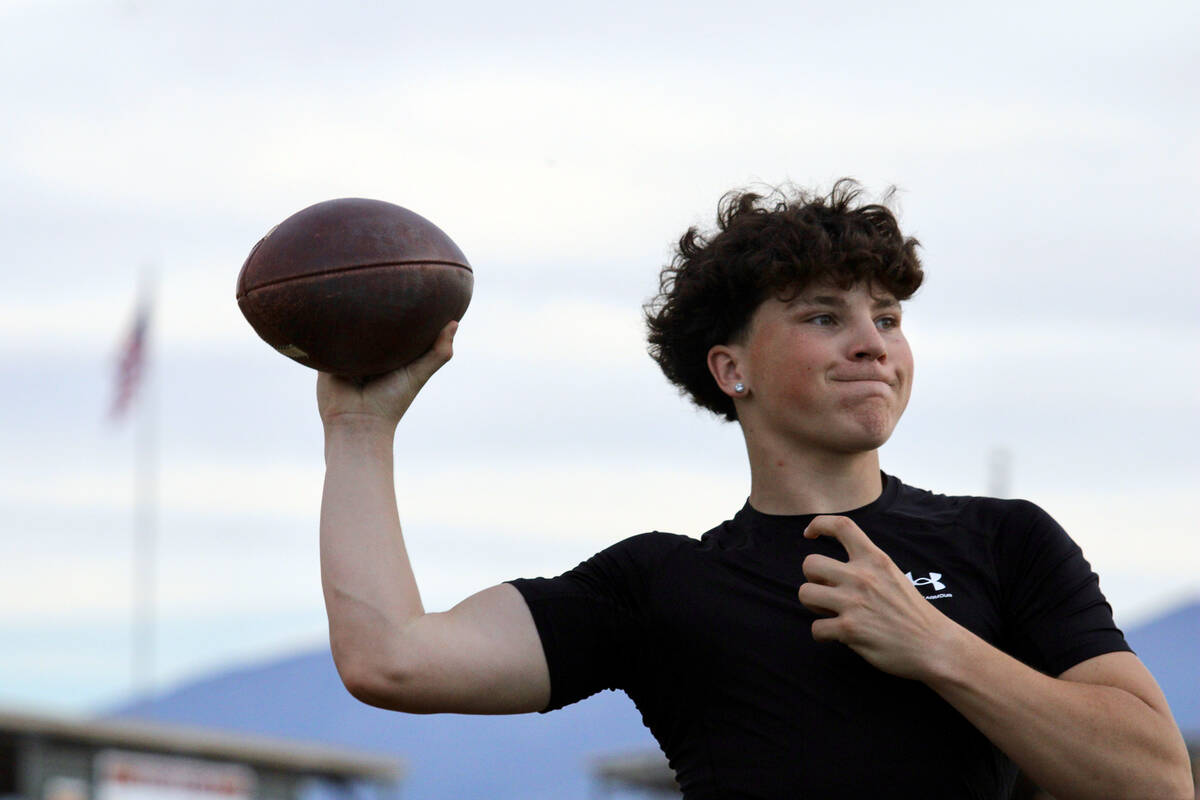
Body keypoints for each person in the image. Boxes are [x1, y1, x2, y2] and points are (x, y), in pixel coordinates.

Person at [315, 181, 1193, 799]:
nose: (871, 343)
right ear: (731, 368)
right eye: (824, 316)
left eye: (886, 318)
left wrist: (936, 645)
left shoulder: (1006, 542)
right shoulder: (661, 585)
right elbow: (390, 655)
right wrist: (359, 431)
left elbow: (1156, 779)